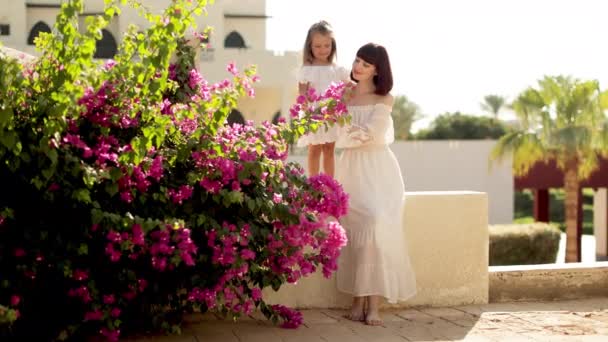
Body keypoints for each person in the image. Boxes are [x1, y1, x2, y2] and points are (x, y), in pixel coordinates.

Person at [335, 43, 417, 326]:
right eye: (357, 60)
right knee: (356, 230)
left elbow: (375, 134)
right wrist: (352, 133)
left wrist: (352, 133)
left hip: (379, 171)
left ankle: (373, 306)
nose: (358, 67)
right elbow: (337, 134)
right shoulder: (342, 94)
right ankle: (358, 301)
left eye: (366, 64)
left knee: (375, 223)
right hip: (350, 170)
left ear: (377, 69)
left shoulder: (385, 98)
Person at [296, 20, 350, 177]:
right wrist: (305, 106)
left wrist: (344, 98)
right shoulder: (307, 69)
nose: (323, 50)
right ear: (310, 46)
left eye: (327, 45)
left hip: (331, 115)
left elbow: (351, 85)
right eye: (317, 46)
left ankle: (329, 184)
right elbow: (302, 92)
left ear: (332, 45)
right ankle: (313, 183)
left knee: (329, 149)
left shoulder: (337, 69)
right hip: (313, 115)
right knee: (314, 149)